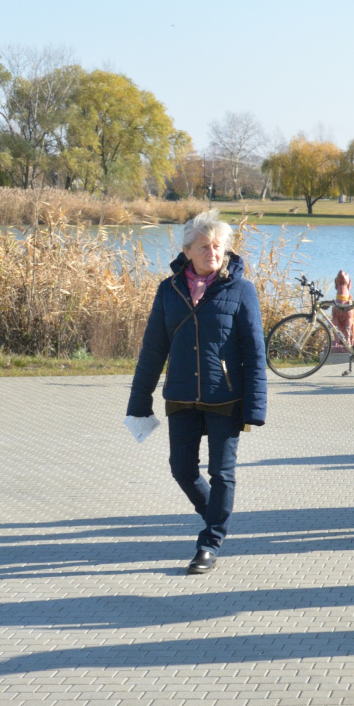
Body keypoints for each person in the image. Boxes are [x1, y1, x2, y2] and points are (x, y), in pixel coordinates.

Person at [126, 210, 267, 574]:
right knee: (182, 469)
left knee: (222, 473)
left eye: (218, 246)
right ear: (187, 250)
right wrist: (139, 403)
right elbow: (153, 350)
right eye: (204, 246)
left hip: (226, 396)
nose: (213, 252)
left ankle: (210, 542)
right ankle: (216, 516)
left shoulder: (240, 289)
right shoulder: (168, 290)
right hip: (181, 394)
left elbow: (255, 352)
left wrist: (255, 407)